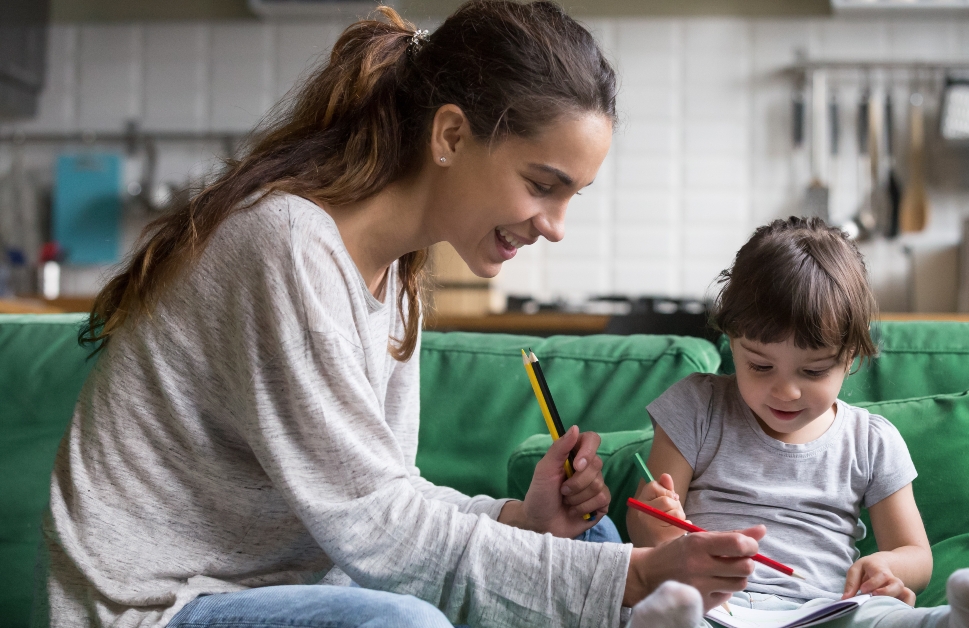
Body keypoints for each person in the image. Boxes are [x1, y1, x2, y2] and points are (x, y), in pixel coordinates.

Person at [36, 3, 768, 627]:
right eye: (544, 185)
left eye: (573, 195)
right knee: (411, 623)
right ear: (450, 136)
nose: (556, 225)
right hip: (163, 606)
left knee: (593, 537)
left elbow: (387, 494)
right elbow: (375, 528)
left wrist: (521, 519)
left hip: (295, 592)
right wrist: (633, 579)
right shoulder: (286, 244)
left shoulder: (400, 278)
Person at [626, 217, 969, 628]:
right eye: (760, 366)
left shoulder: (871, 441)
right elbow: (645, 522)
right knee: (671, 605)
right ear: (733, 341)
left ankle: (959, 624)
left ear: (850, 357)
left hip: (827, 611)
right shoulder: (698, 405)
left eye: (813, 372)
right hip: (714, 606)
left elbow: (915, 555)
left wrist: (888, 567)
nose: (786, 391)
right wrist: (657, 528)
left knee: (885, 618)